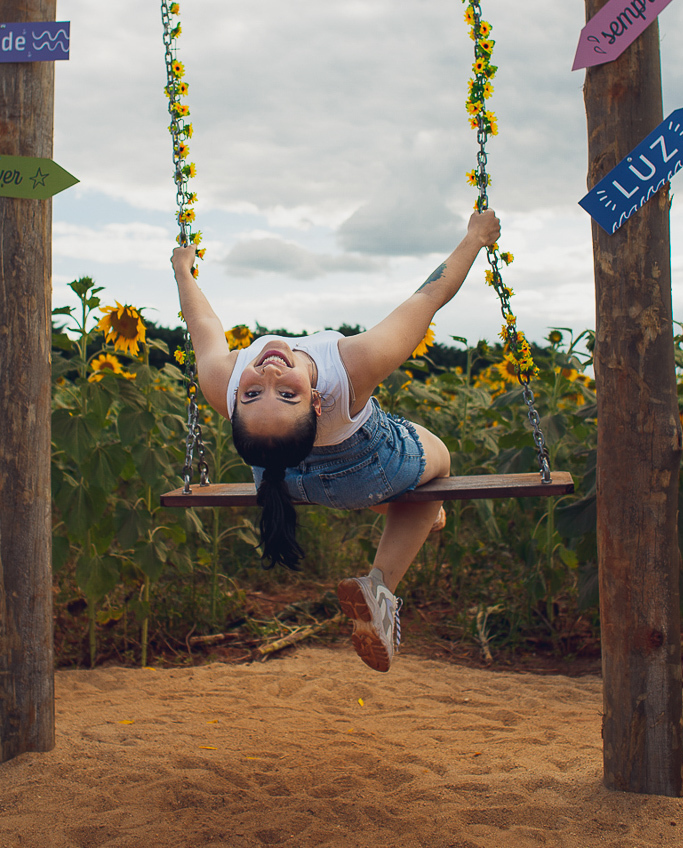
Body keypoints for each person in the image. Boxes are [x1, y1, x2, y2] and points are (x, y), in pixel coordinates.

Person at [171, 207, 500, 672]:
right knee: (438, 464)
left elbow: (201, 325)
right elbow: (429, 297)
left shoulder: (221, 379)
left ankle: (421, 517)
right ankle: (380, 588)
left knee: (413, 501)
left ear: (233, 407)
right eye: (287, 394)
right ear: (318, 404)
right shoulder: (351, 364)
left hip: (283, 483)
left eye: (254, 393)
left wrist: (182, 270)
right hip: (366, 474)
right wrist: (475, 238)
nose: (268, 374)